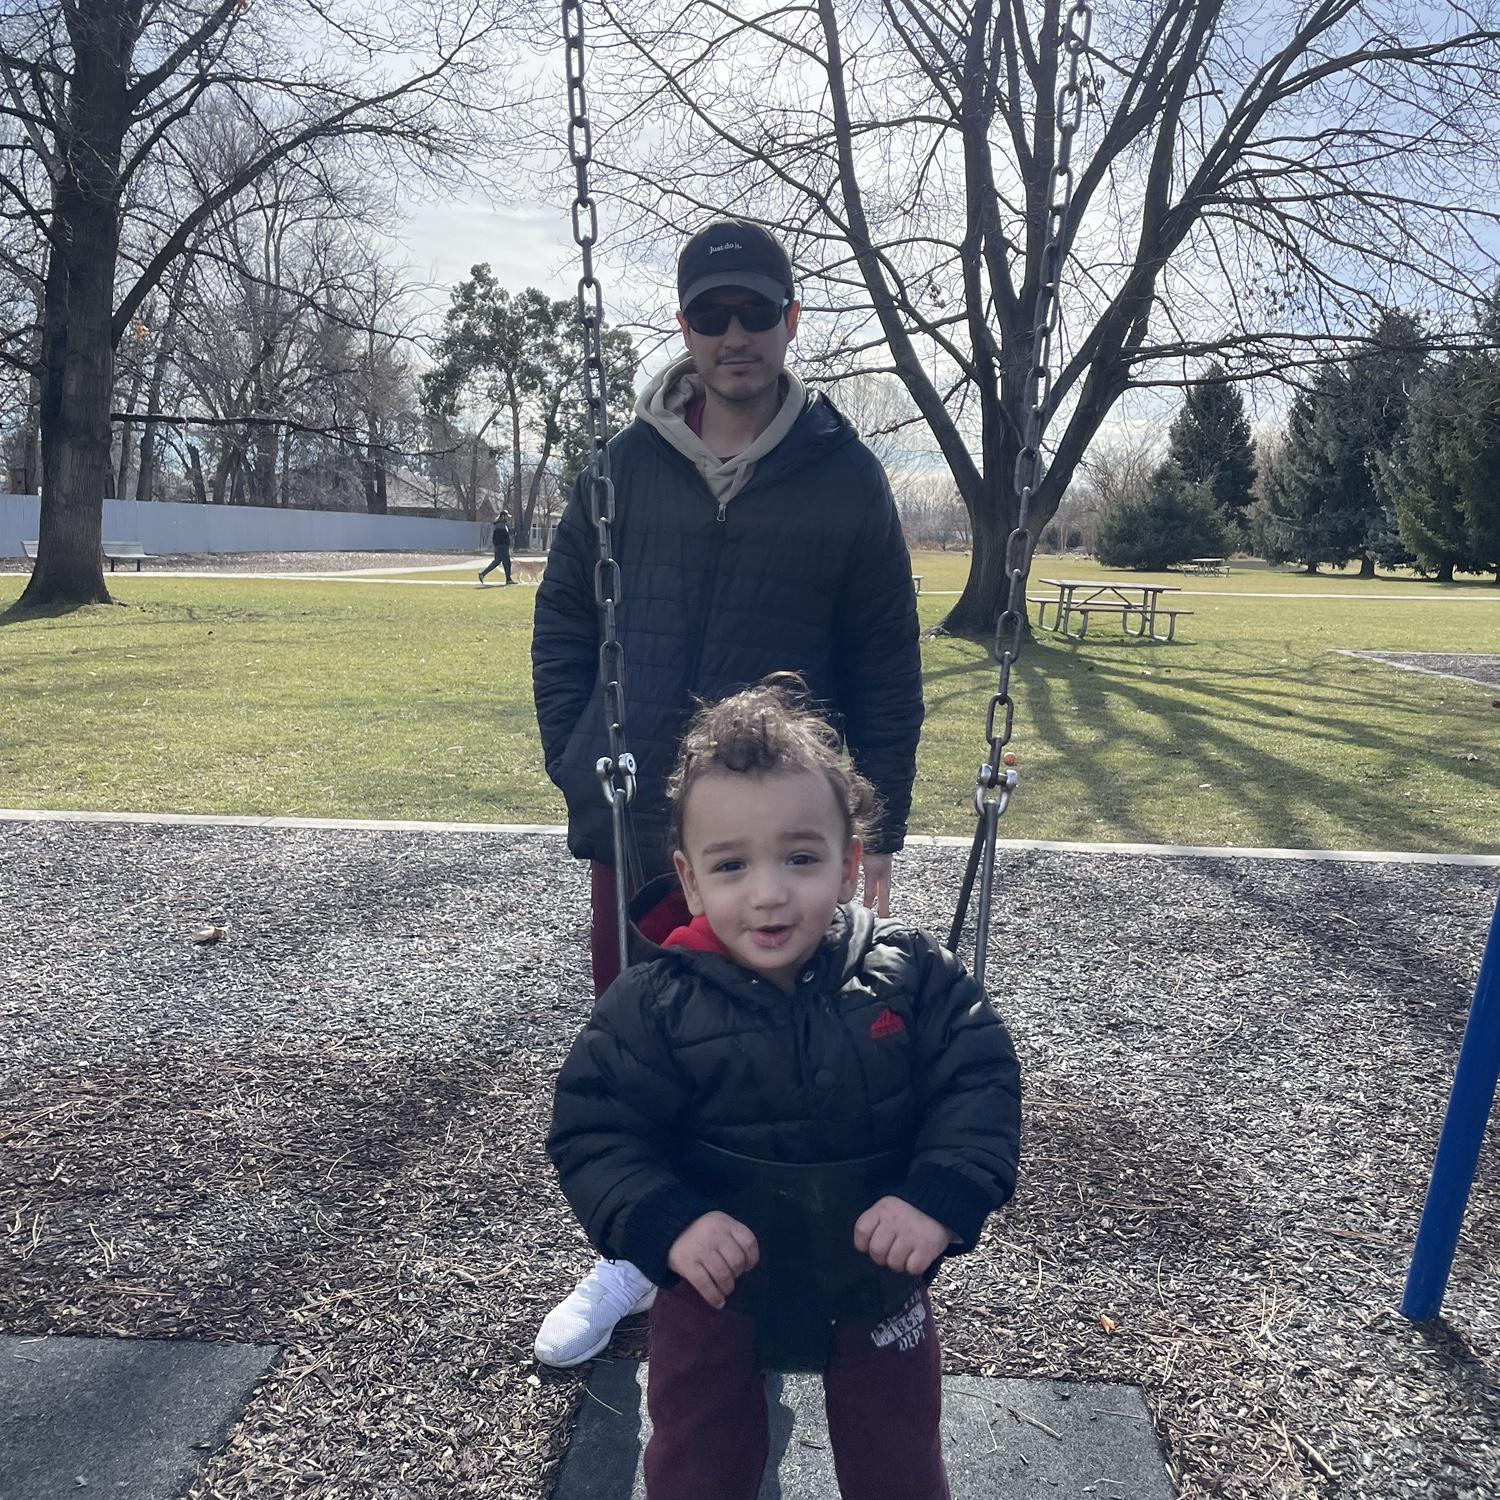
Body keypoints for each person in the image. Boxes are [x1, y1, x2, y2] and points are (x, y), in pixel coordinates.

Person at [531, 218, 925, 1367]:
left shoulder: (844, 475)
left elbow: (886, 665)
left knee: (775, 1053)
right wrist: (580, 755)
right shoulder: (623, 467)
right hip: (640, 824)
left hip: (776, 837)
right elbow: (565, 625)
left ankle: (772, 1252)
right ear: (686, 326)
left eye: (757, 311)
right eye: (713, 314)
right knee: (640, 1043)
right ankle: (638, 1254)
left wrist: (876, 831)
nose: (735, 334)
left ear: (790, 321)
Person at [547, 680, 1020, 1500]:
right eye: (731, 865)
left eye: (800, 858)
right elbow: (597, 1132)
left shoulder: (911, 977)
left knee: (898, 1453)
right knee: (698, 1452)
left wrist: (938, 1197)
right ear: (691, 881)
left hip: (877, 1265)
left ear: (848, 866)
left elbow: (977, 1084)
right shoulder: (654, 1003)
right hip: (712, 1273)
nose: (768, 892)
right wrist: (667, 1222)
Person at [479, 513, 512, 584]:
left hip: (499, 546)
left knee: (497, 561)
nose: (508, 518)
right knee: (507, 562)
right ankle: (508, 579)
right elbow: (501, 537)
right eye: (507, 517)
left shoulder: (500, 525)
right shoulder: (501, 526)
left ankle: (482, 574)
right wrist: (504, 545)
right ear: (503, 516)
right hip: (502, 546)